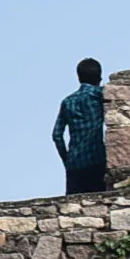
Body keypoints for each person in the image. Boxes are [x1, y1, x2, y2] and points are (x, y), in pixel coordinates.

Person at [53, 57, 108, 194]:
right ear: (99, 78)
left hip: (74, 163)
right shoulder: (99, 95)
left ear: (78, 78)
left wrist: (67, 159)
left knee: (73, 208)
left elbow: (57, 135)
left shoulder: (67, 102)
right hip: (96, 159)